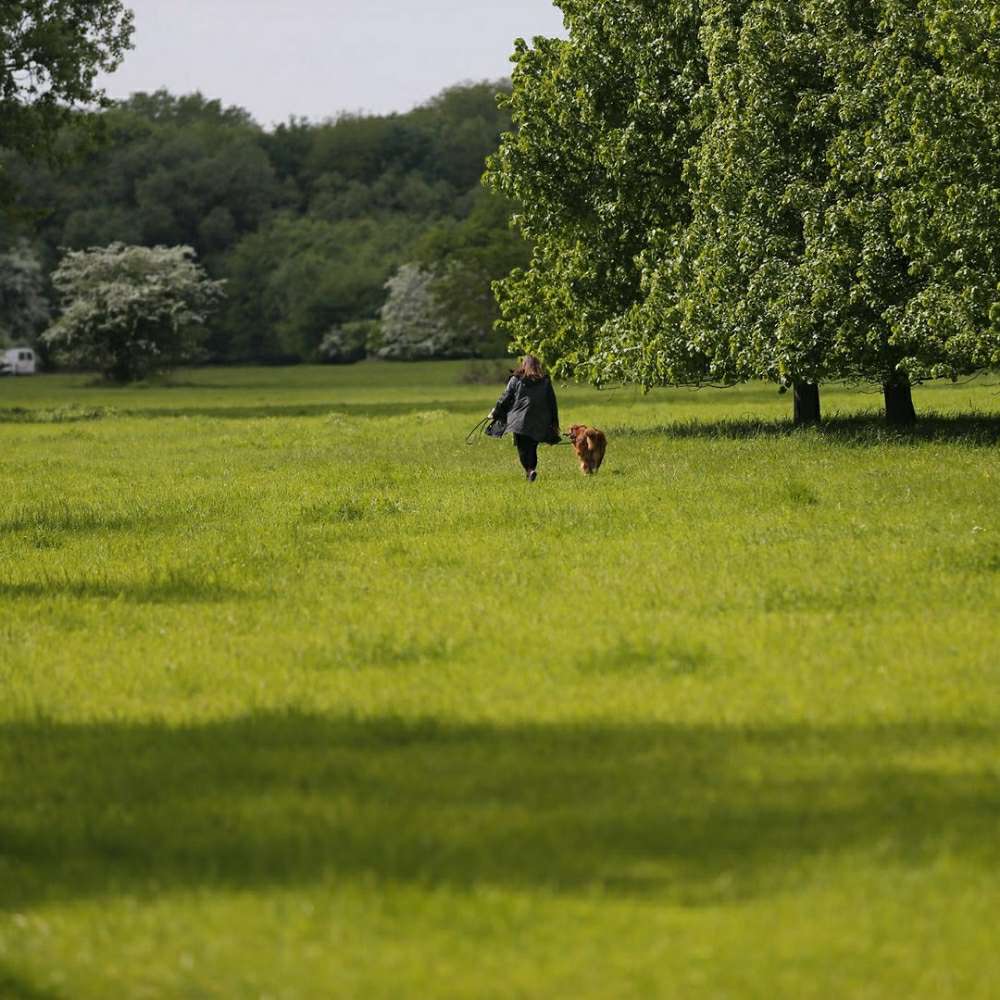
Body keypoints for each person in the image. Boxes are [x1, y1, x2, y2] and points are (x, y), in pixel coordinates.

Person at [488, 355, 560, 481]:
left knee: (522, 448)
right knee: (532, 447)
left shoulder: (516, 379)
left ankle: (529, 470)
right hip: (540, 420)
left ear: (524, 365)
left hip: (519, 420)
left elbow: (505, 398)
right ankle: (531, 469)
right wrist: (554, 421)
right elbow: (552, 402)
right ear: (538, 365)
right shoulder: (545, 381)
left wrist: (495, 412)